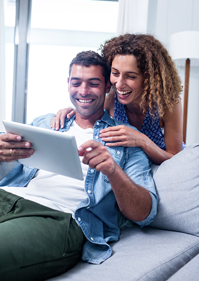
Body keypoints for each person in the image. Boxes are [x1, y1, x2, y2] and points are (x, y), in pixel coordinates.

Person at [0, 51, 158, 281]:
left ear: (107, 87)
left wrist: (113, 171)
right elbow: (10, 169)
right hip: (8, 197)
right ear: (68, 84)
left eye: (93, 84)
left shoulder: (125, 138)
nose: (83, 91)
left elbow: (146, 213)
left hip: (58, 217)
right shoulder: (46, 122)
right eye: (76, 83)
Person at [51, 34, 184, 165]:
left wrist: (142, 141)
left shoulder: (167, 104)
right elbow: (88, 108)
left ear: (149, 78)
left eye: (130, 76)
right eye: (115, 73)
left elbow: (175, 159)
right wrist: (69, 112)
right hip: (134, 164)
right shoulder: (111, 101)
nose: (119, 84)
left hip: (162, 164)